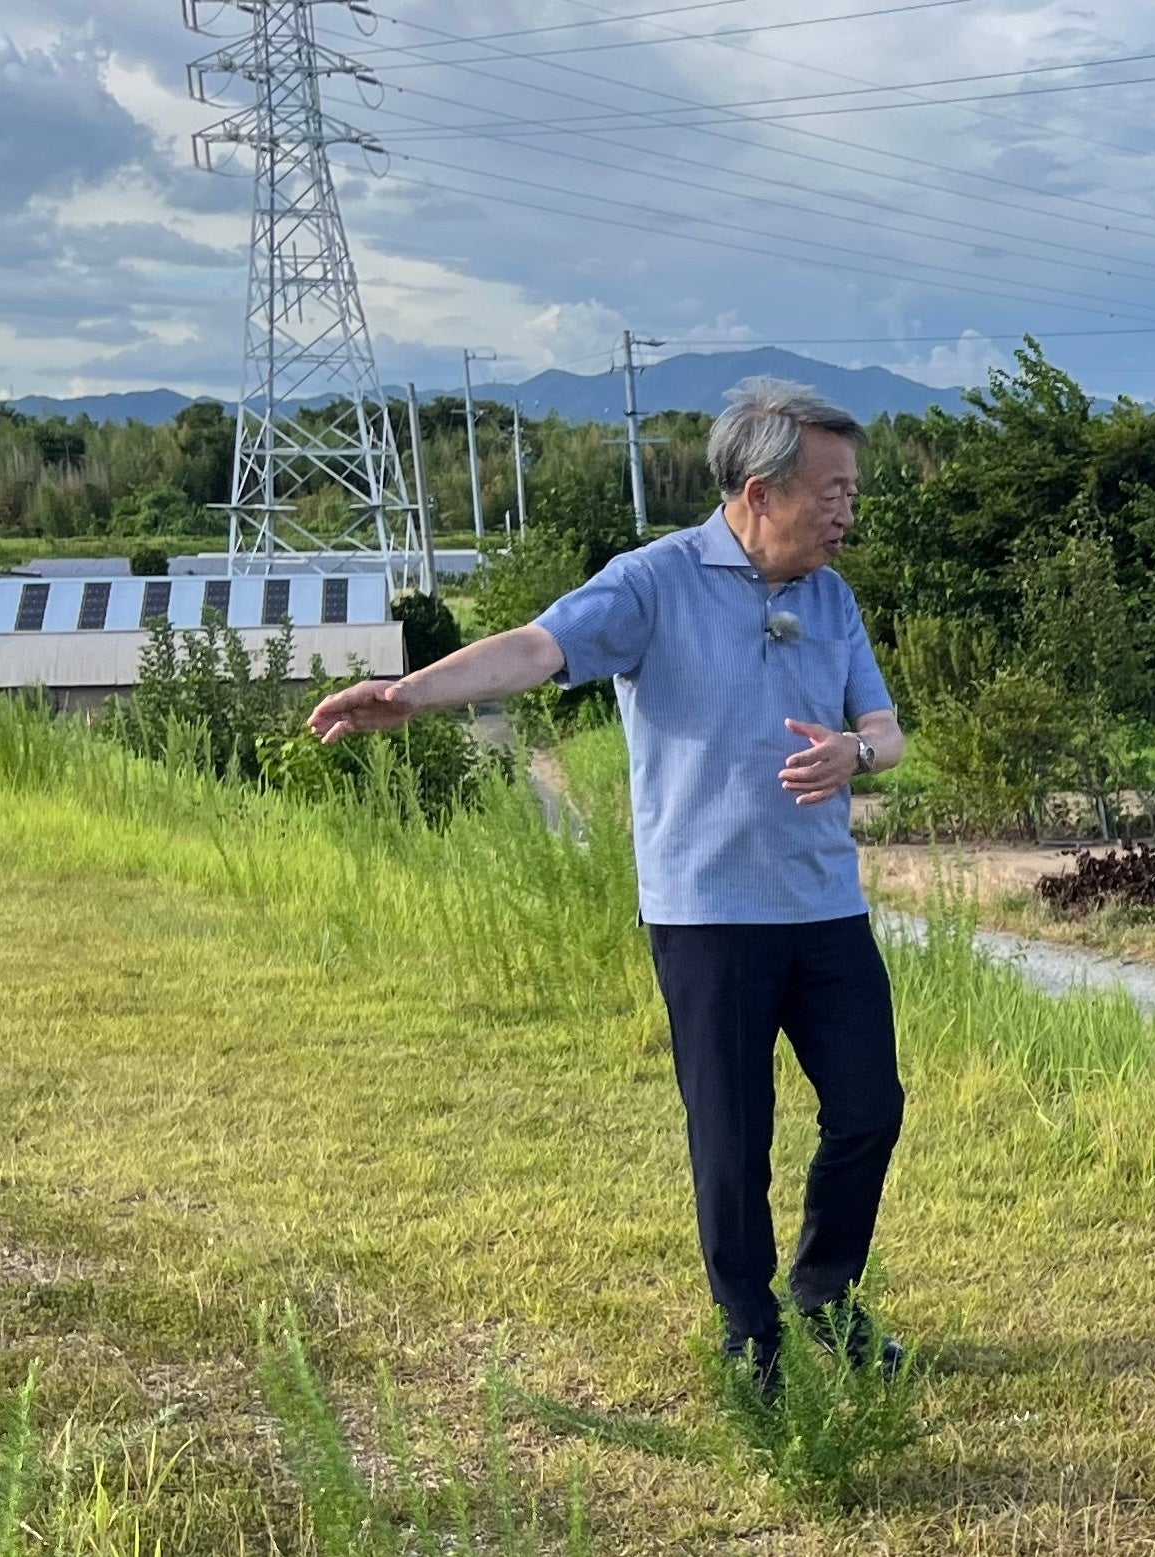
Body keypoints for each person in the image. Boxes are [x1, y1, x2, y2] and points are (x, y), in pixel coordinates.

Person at [307, 377, 909, 1387]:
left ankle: (825, 1296)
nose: (848, 510)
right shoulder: (653, 582)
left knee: (868, 1109)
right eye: (833, 491)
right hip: (708, 914)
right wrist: (411, 693)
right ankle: (749, 1331)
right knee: (732, 1137)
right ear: (759, 491)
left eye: (853, 491)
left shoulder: (830, 595)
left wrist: (855, 752)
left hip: (823, 903)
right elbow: (538, 649)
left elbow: (885, 732)